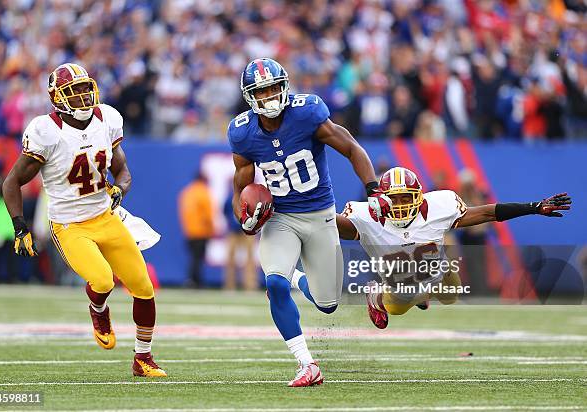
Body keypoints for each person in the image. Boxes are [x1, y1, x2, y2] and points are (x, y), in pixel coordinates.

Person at [1, 63, 166, 377]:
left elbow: (122, 170)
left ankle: (143, 359)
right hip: (70, 224)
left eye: (84, 88)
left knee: (143, 287)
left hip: (105, 216)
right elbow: (11, 182)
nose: (82, 95)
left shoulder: (107, 118)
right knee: (102, 280)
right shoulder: (45, 130)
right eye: (73, 91)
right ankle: (98, 309)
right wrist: (19, 225)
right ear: (57, 98)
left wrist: (121, 188)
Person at [228, 58, 381, 387]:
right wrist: (244, 218)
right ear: (249, 97)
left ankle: (298, 279)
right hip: (279, 218)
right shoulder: (243, 133)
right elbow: (240, 183)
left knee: (328, 305)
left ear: (284, 86)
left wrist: (373, 188)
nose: (269, 97)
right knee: (274, 284)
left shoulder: (307, 112)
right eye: (261, 91)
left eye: (273, 88)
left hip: (321, 215)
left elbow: (352, 148)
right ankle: (306, 363)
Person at [318, 166, 571, 329]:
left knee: (451, 296)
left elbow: (485, 213)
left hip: (432, 266)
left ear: (419, 196)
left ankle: (424, 288)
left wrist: (534, 207)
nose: (402, 204)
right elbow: (331, 223)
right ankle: (375, 296)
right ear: (380, 199)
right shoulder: (364, 215)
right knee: (397, 305)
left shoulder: (439, 206)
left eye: (407, 197)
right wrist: (303, 211)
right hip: (396, 278)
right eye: (395, 199)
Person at [178, 172, 215, 288]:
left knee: (194, 257)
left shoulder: (187, 192)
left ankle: (193, 280)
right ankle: (195, 281)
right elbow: (208, 215)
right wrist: (211, 229)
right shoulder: (203, 192)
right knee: (198, 258)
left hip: (189, 230)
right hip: (201, 231)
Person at [223, 192, 257, 291]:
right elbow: (225, 211)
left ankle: (250, 286)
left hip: (248, 231)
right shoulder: (231, 196)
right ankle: (230, 286)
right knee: (230, 259)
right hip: (233, 231)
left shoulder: (252, 195)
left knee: (250, 259)